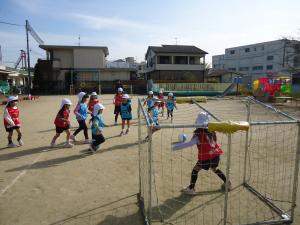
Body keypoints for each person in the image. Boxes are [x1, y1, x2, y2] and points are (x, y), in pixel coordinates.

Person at [172, 112, 231, 195]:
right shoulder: (212, 131)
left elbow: (190, 143)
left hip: (206, 156)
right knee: (214, 169)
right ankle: (227, 182)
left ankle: (191, 189)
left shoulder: (198, 134)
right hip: (215, 154)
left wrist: (174, 147)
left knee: (195, 170)